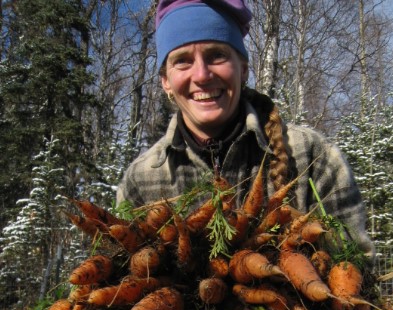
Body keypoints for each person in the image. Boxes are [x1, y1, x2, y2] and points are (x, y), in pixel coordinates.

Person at [117, 0, 374, 258]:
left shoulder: (313, 156)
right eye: (182, 61)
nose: (202, 75)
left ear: (243, 69)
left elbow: (356, 268)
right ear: (166, 82)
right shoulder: (141, 180)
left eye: (216, 55)